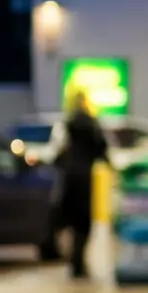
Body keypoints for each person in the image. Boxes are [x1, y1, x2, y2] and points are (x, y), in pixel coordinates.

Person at [53, 92, 110, 282]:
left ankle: (74, 263)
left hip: (70, 179)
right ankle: (79, 262)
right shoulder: (93, 126)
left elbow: (58, 155)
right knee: (84, 223)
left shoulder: (67, 126)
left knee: (74, 223)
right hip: (86, 178)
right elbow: (102, 148)